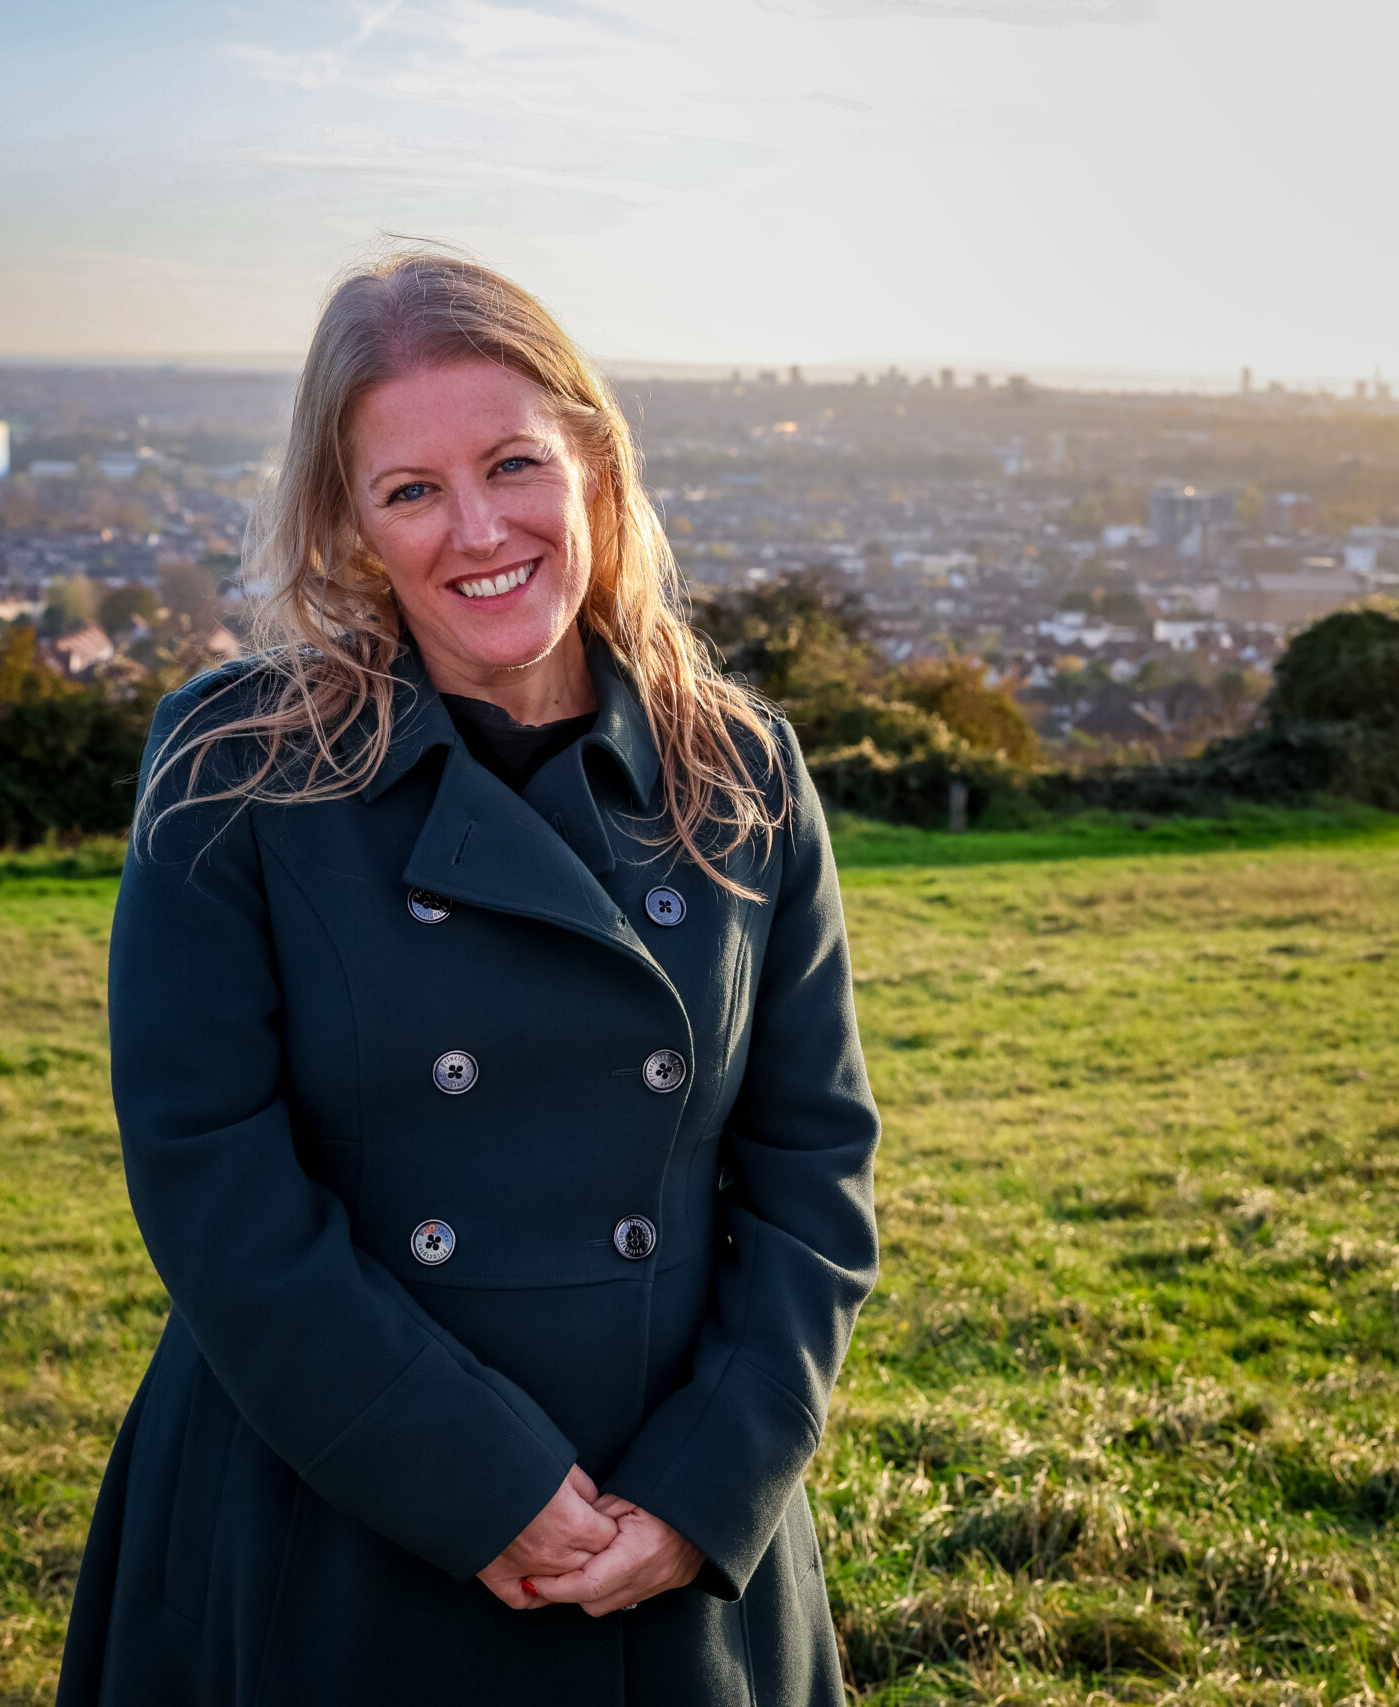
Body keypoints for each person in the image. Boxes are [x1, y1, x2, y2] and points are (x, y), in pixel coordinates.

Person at [56, 251, 881, 1705]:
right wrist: (469, 1476)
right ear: (351, 526)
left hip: (666, 1530)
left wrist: (708, 1488)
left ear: (595, 469)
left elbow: (815, 1170)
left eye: (514, 464)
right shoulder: (232, 774)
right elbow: (211, 1185)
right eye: (411, 489)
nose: (478, 530)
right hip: (333, 1516)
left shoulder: (743, 769)